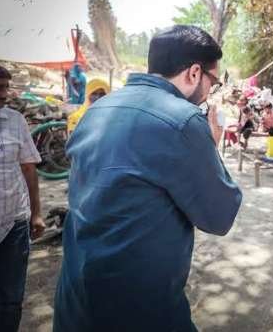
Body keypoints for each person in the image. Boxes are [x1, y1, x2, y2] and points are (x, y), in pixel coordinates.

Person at [53, 25, 243, 332]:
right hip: (137, 307)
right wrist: (210, 146)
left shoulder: (97, 109)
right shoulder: (184, 120)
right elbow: (219, 217)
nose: (211, 91)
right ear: (194, 73)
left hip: (75, 300)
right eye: (214, 81)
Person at [0, 64, 45, 332]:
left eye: (5, 87)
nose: (3, 94)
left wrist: (36, 213)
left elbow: (29, 167)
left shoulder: (15, 121)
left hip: (13, 222)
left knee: (10, 298)